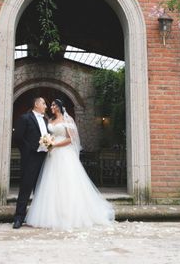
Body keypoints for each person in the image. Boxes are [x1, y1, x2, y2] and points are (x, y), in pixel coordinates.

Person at [25, 98, 115, 230]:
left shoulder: (68, 120)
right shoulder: (50, 121)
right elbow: (46, 135)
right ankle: (52, 214)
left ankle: (69, 214)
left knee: (67, 182)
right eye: (51, 105)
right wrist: (47, 142)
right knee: (52, 183)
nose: (51, 107)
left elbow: (70, 139)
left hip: (64, 153)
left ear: (60, 106)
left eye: (54, 105)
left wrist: (55, 144)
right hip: (52, 155)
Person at [12, 96, 49, 229]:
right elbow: (18, 138)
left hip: (44, 158)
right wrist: (28, 151)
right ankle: (18, 218)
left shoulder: (45, 120)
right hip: (30, 158)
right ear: (36, 104)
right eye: (44, 103)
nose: (46, 106)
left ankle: (40, 217)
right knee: (26, 188)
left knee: (41, 188)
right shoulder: (25, 118)